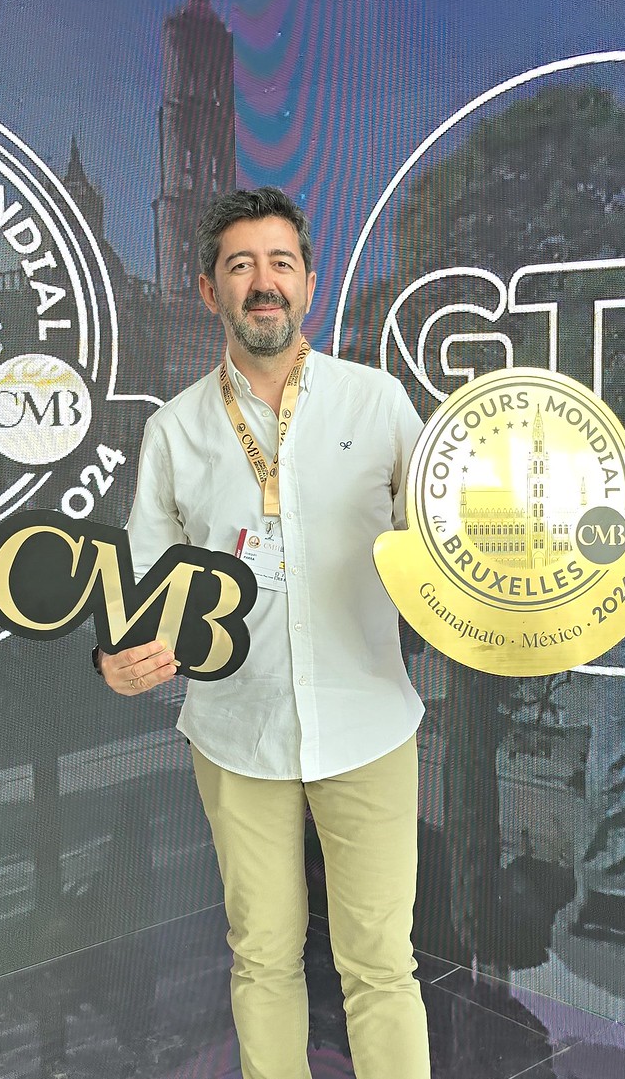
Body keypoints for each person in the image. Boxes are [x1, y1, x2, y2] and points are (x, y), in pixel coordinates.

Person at [96, 187, 431, 1079]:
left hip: (367, 721)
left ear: (308, 284)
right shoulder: (174, 431)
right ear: (210, 291)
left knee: (381, 966)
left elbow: (441, 540)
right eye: (239, 265)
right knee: (262, 956)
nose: (262, 282)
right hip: (236, 730)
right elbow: (143, 588)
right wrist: (116, 656)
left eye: (280, 262)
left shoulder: (378, 403)